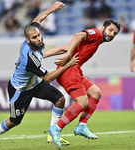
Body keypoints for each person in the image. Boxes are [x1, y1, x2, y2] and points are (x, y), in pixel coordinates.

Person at [0, 2, 79, 150]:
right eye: (35, 37)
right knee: (14, 121)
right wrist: (68, 63)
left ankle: (52, 133)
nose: (39, 38)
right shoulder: (30, 58)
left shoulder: (33, 41)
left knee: (60, 99)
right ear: (28, 40)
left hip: (34, 83)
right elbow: (48, 78)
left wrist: (52, 8)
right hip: (20, 89)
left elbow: (38, 19)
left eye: (39, 35)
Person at [45, 19, 121, 149]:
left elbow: (66, 47)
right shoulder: (96, 34)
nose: (112, 34)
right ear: (103, 28)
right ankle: (56, 129)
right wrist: (69, 55)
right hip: (70, 70)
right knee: (82, 102)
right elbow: (77, 35)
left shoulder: (97, 41)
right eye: (110, 30)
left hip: (75, 70)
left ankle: (81, 126)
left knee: (95, 93)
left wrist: (43, 55)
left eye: (115, 33)